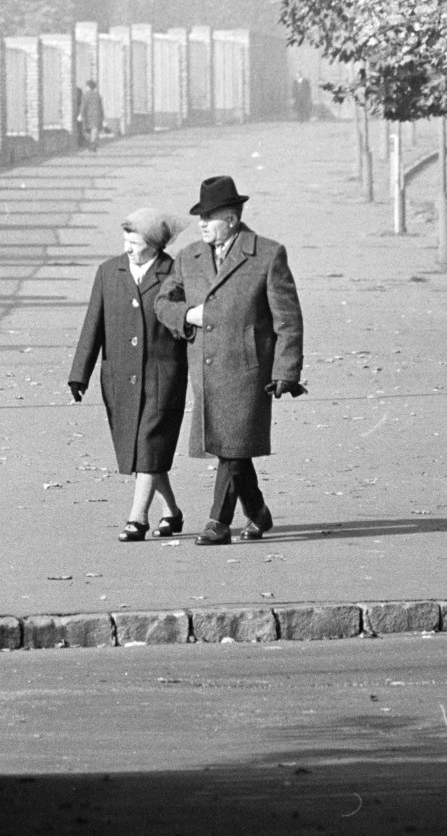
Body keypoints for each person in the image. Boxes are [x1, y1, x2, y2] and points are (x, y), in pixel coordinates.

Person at [155, 175, 305, 546]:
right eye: (200, 216)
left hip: (249, 370)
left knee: (231, 446)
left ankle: (218, 522)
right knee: (231, 445)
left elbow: (288, 319)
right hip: (204, 368)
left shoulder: (268, 254)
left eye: (211, 216)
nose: (202, 223)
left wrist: (286, 371)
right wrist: (187, 316)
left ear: (233, 219)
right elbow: (162, 303)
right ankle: (257, 512)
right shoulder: (189, 258)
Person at [68, 209, 188, 541]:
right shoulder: (109, 271)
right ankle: (172, 512)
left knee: (149, 443)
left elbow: (187, 321)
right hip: (119, 378)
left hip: (163, 376)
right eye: (126, 241)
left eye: (135, 242)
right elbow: (93, 324)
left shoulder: (177, 273)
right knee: (142, 449)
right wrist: (80, 374)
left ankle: (137, 518)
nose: (129, 248)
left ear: (155, 245)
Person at [78, 78, 104, 152]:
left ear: (88, 87)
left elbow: (83, 105)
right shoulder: (97, 95)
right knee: (94, 129)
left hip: (88, 116)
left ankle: (92, 144)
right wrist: (102, 117)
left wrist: (80, 114)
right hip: (97, 115)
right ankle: (93, 143)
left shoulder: (86, 95)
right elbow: (101, 106)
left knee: (88, 130)